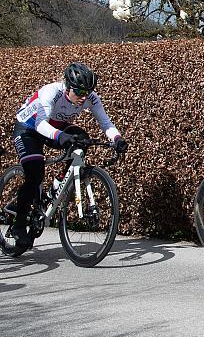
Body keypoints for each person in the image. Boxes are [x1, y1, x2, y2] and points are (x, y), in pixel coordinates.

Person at [10, 62, 128, 248]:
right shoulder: (51, 92)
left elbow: (106, 123)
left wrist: (117, 139)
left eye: (87, 93)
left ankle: (56, 187)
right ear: (68, 87)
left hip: (54, 126)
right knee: (35, 172)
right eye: (79, 92)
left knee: (81, 139)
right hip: (28, 128)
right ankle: (18, 226)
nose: (83, 97)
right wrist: (60, 136)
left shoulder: (91, 97)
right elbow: (40, 124)